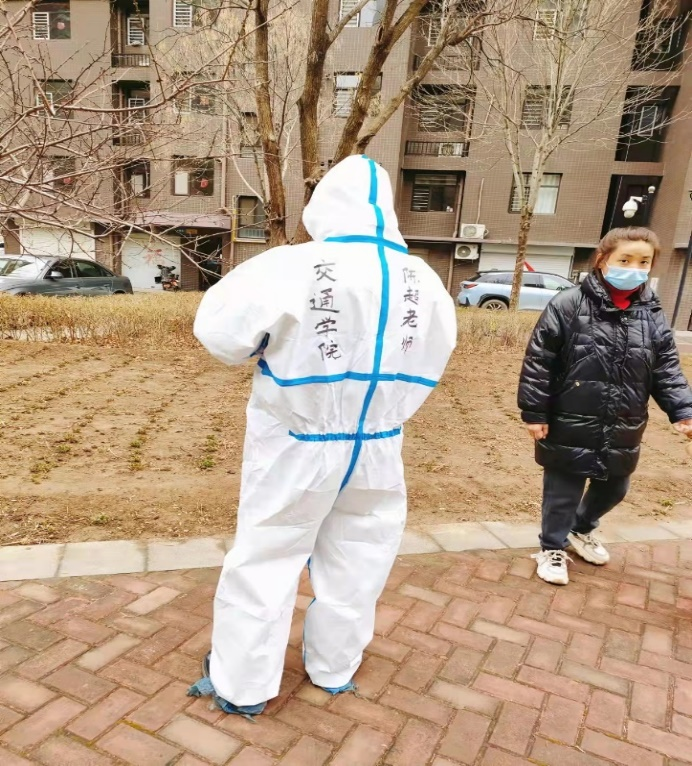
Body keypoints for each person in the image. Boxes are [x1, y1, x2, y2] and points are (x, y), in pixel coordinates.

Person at [189, 155, 457, 715]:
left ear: (324, 206)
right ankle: (334, 668)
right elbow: (437, 349)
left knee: (267, 556)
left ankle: (244, 686)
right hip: (379, 444)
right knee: (361, 555)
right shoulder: (425, 279)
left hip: (298, 442)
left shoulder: (291, 265)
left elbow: (221, 336)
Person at [518, 227, 692, 586]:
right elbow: (539, 362)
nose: (634, 268)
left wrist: (683, 410)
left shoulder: (651, 312)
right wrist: (534, 412)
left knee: (615, 488)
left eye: (643, 262)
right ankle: (552, 547)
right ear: (603, 260)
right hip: (569, 418)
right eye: (625, 260)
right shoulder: (568, 304)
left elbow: (666, 368)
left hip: (624, 420)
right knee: (562, 492)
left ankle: (581, 529)